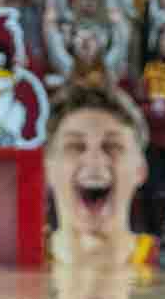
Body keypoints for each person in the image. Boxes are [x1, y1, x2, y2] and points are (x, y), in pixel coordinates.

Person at [42, 86, 154, 268]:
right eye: (75, 146)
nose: (94, 161)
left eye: (113, 146)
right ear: (47, 170)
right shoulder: (10, 262)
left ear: (140, 169)